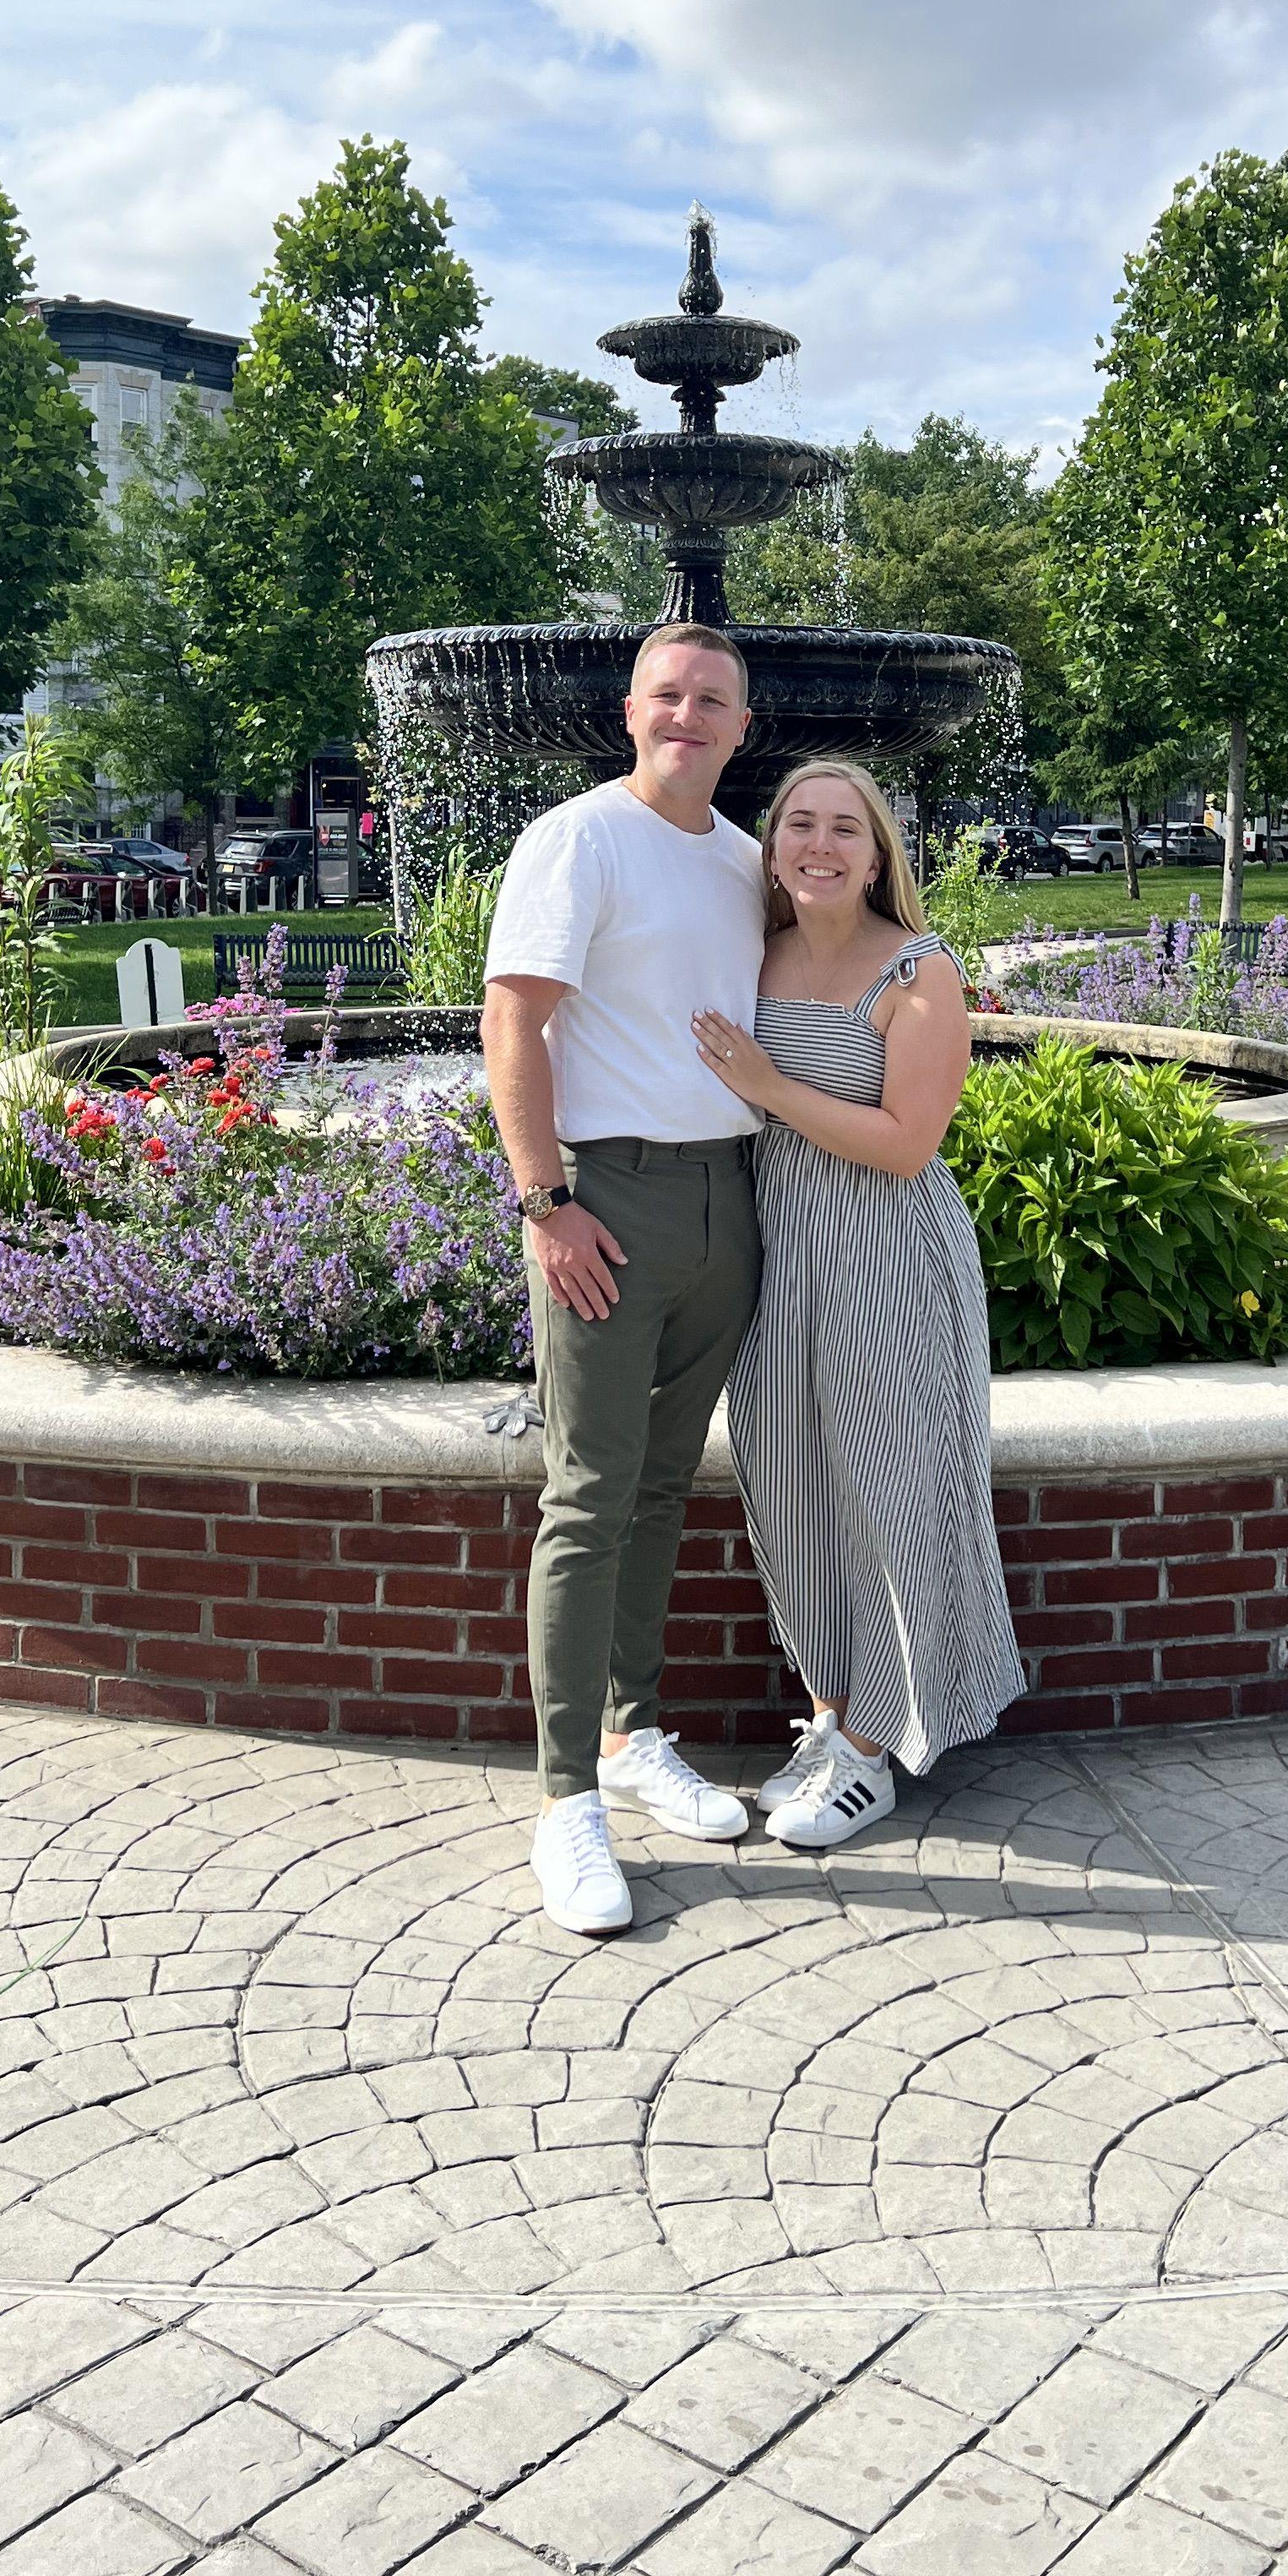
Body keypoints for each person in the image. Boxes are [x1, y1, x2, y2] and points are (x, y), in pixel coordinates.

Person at [483, 625, 770, 1935]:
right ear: (630, 710)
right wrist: (545, 1202)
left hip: (727, 1198)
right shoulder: (578, 840)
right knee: (589, 1495)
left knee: (662, 1485)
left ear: (742, 726)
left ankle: (632, 1732)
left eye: (712, 699)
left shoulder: (747, 862)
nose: (687, 715)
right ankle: (565, 1806)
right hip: (604, 1198)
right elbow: (514, 1018)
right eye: (668, 694)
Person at [689, 760, 1021, 1850]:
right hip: (779, 1256)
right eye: (799, 824)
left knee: (890, 1493)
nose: (819, 846)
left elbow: (907, 1143)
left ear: (878, 857)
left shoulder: (920, 970)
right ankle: (831, 1716)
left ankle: (876, 1751)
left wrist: (769, 1087)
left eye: (845, 829)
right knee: (790, 1494)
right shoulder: (753, 952)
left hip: (889, 1256)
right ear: (772, 843)